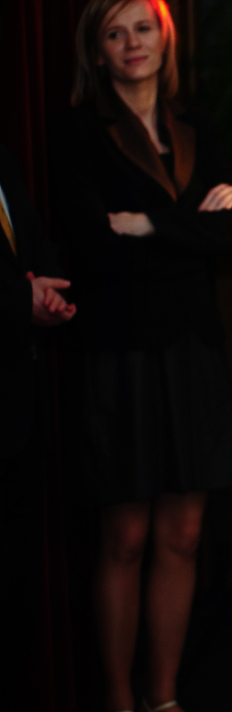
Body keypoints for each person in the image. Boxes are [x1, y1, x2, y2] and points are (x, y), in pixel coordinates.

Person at [53, 0, 232, 712]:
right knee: (126, 536)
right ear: (97, 50)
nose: (133, 43)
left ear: (164, 38)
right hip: (120, 352)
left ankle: (164, 699)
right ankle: (118, 699)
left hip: (192, 350)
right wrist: (186, 227)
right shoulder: (78, 131)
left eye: (143, 28)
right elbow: (92, 247)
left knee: (185, 534)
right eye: (116, 33)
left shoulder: (196, 124)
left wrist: (148, 224)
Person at [1, 145, 75, 709]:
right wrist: (15, 300)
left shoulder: (4, 155)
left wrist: (46, 291)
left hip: (20, 416)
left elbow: (31, 247)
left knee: (17, 602)